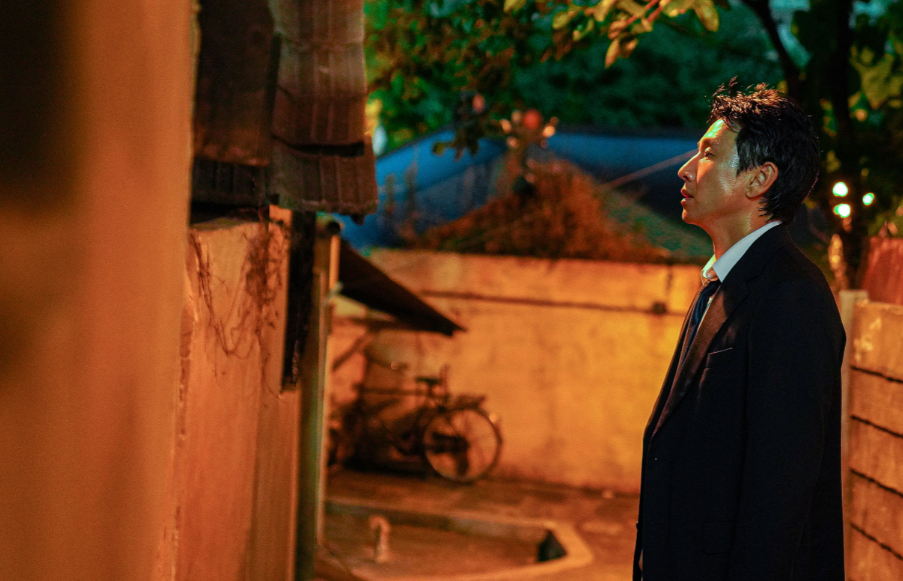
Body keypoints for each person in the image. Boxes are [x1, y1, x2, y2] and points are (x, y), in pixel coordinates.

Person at [633, 84, 846, 580]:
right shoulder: (723, 282)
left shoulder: (791, 295)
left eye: (708, 153)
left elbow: (781, 492)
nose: (686, 169)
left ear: (759, 179)